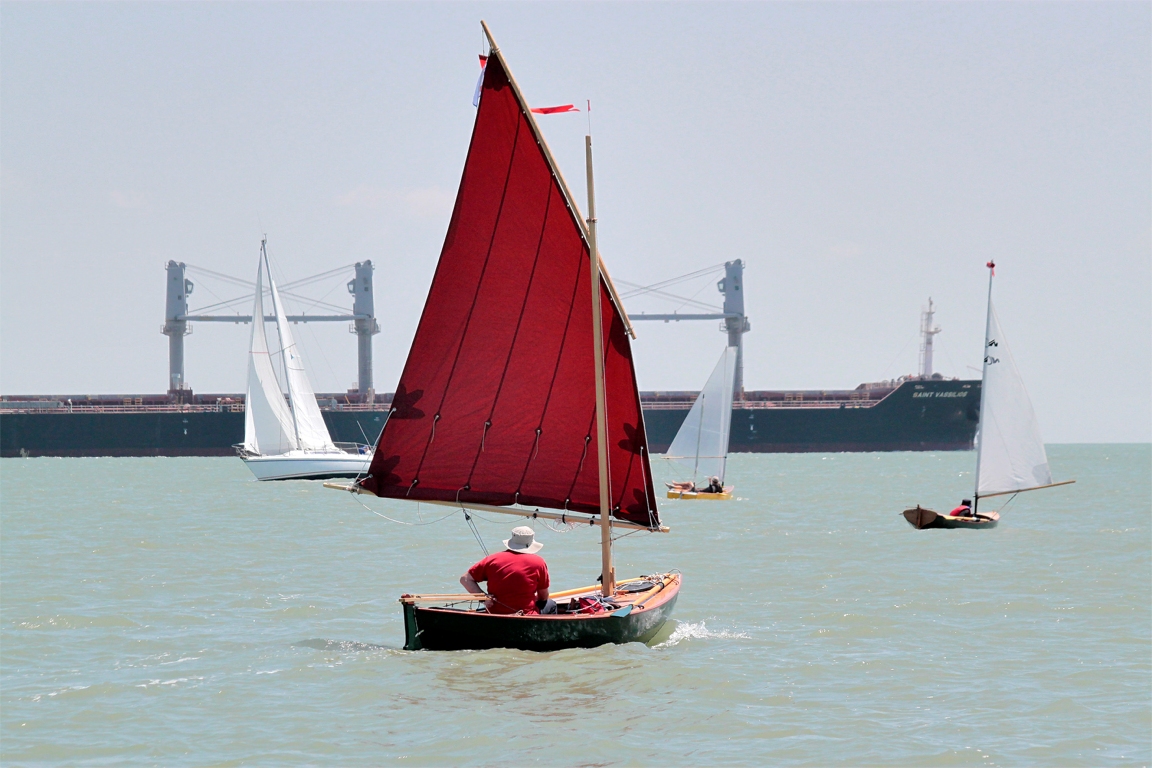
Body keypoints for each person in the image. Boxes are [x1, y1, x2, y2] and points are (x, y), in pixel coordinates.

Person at [461, 526, 555, 615]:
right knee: (552, 604)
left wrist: (484, 598)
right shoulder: (539, 562)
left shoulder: (492, 559)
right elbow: (543, 597)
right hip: (525, 615)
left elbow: (465, 579)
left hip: (494, 614)